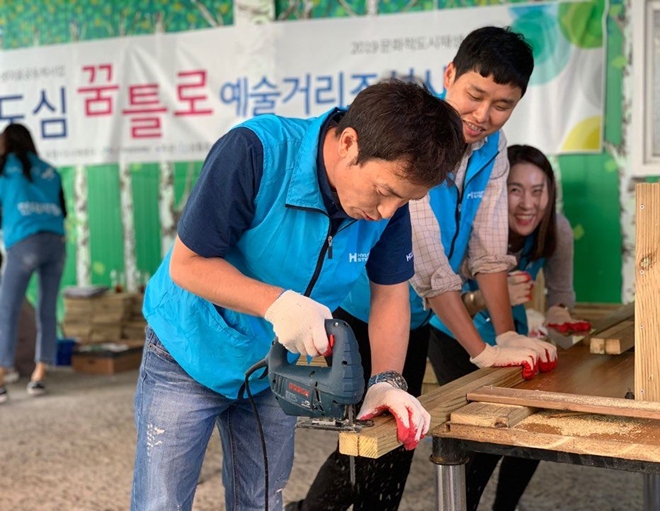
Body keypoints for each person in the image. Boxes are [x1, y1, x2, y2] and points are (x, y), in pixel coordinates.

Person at [132, 79, 467, 511]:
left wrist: (386, 380)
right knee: (161, 501)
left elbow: (390, 296)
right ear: (349, 143)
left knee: (262, 500)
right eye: (383, 192)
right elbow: (188, 264)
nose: (386, 213)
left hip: (273, 368)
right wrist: (276, 303)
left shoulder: (391, 206)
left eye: (403, 201)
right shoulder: (255, 151)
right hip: (186, 349)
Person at [289, 26, 557, 511]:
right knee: (363, 444)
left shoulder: (493, 150)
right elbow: (429, 266)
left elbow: (490, 249)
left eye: (503, 105)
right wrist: (480, 351)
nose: (484, 115)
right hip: (363, 309)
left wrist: (504, 335)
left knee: (397, 443)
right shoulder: (417, 139)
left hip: (409, 317)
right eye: (475, 95)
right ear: (449, 74)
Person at [428, 144, 591, 511]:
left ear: (551, 193)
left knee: (532, 428)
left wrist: (559, 317)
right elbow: (439, 288)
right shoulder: (478, 226)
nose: (527, 203)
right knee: (483, 432)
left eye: (538, 191)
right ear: (498, 190)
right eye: (515, 189)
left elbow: (560, 296)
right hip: (453, 332)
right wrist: (487, 295)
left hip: (508, 333)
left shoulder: (557, 230)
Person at [0, 123, 67, 403]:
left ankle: (2, 376)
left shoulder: (4, 166)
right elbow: (63, 211)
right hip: (55, 243)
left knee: (8, 310)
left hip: (23, 241)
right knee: (47, 309)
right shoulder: (49, 170)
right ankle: (39, 375)